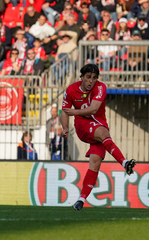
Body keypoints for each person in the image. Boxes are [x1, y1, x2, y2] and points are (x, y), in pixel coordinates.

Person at [60, 64, 136, 211]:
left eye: (94, 78)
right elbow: (64, 111)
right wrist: (64, 127)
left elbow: (94, 108)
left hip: (99, 125)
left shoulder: (100, 87)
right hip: (83, 127)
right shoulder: (71, 90)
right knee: (103, 134)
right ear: (81, 77)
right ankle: (125, 163)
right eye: (88, 77)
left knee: (95, 163)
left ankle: (81, 200)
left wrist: (73, 112)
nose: (91, 81)